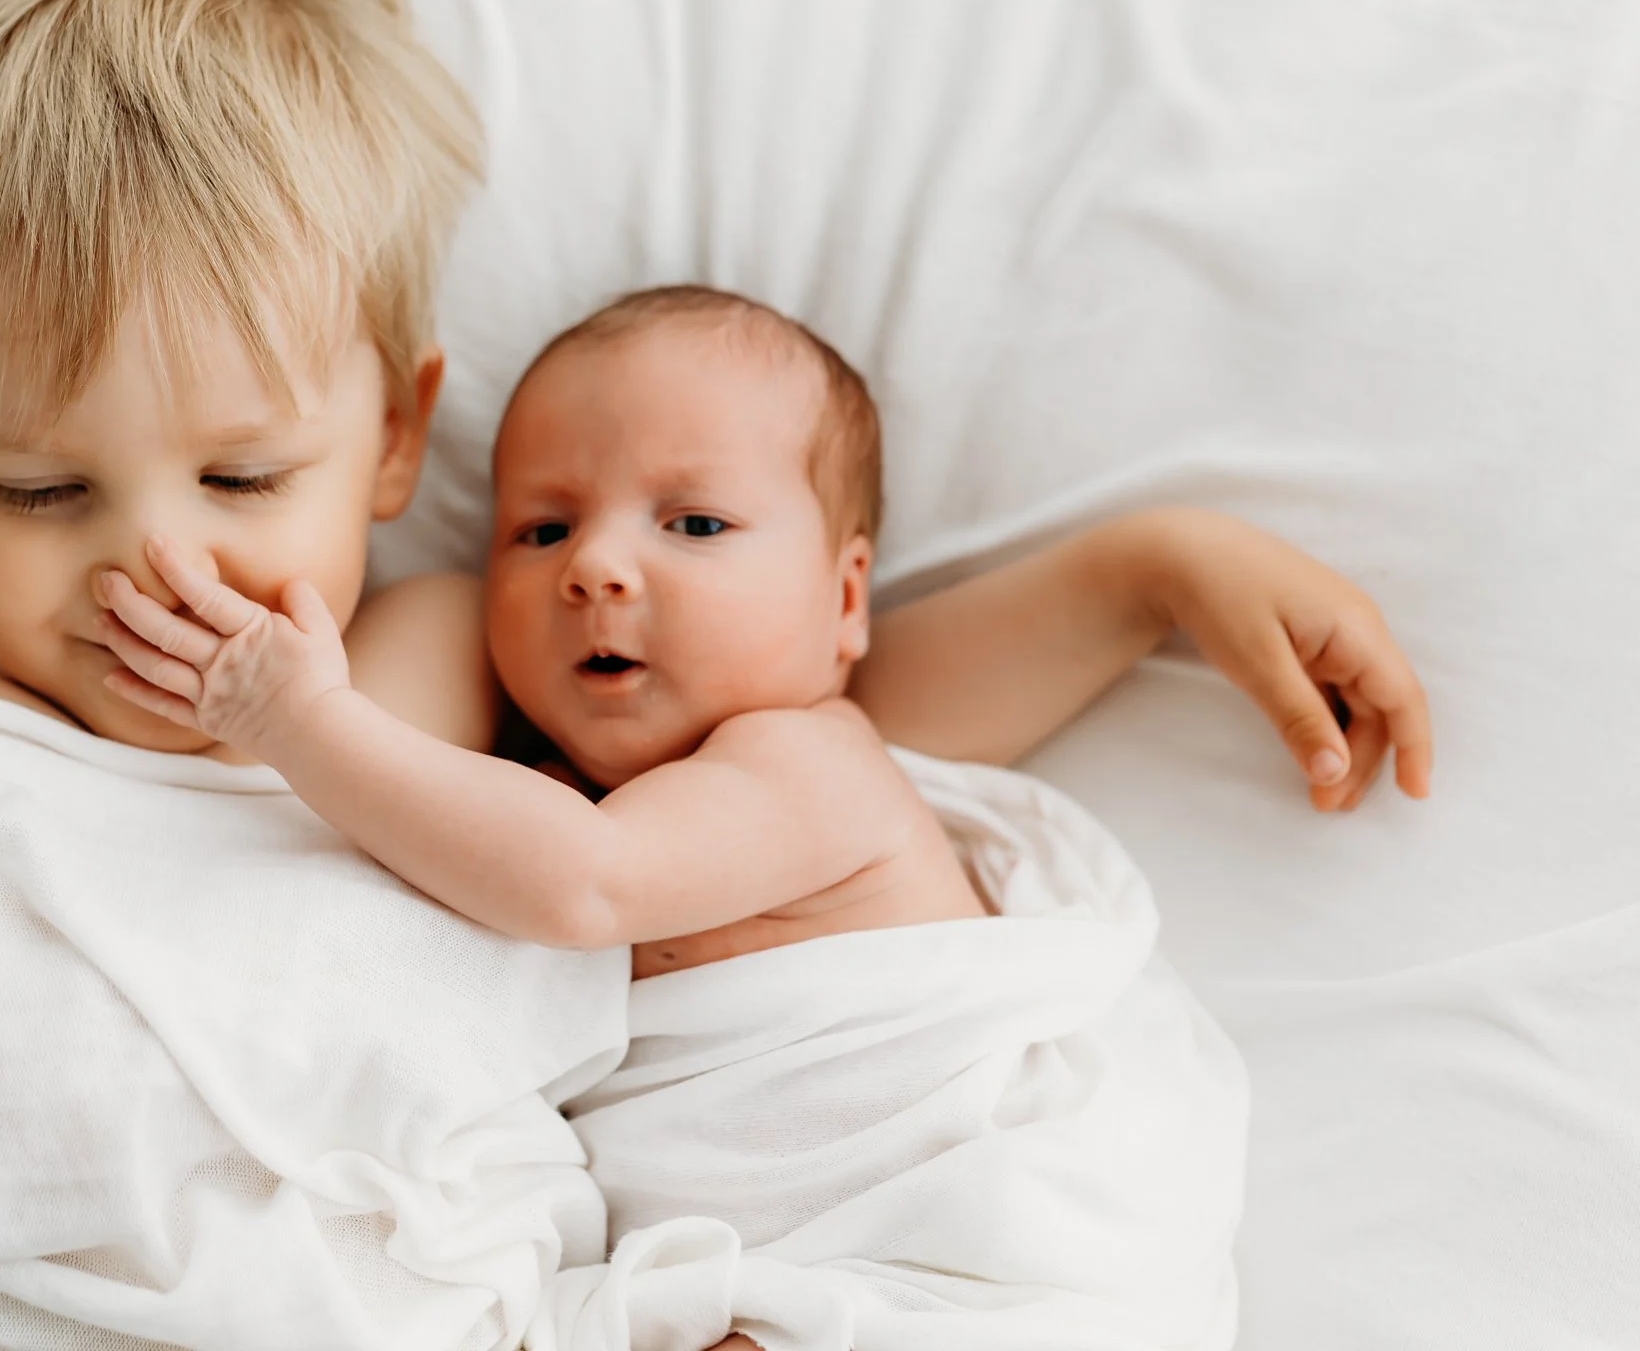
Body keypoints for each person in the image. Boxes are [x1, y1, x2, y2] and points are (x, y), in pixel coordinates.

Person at [0, 0, 1429, 1351]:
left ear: (396, 443)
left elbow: (814, 734)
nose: (160, 561)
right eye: (42, 488)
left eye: (245, 477)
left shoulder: (450, 668)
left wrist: (1148, 573)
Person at [92, 285, 1426, 1348]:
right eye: (539, 531)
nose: (599, 566)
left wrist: (301, 721)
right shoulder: (548, 785)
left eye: (697, 521)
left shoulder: (812, 767)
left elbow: (585, 887)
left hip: (948, 1270)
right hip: (772, 1282)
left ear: (847, 600)